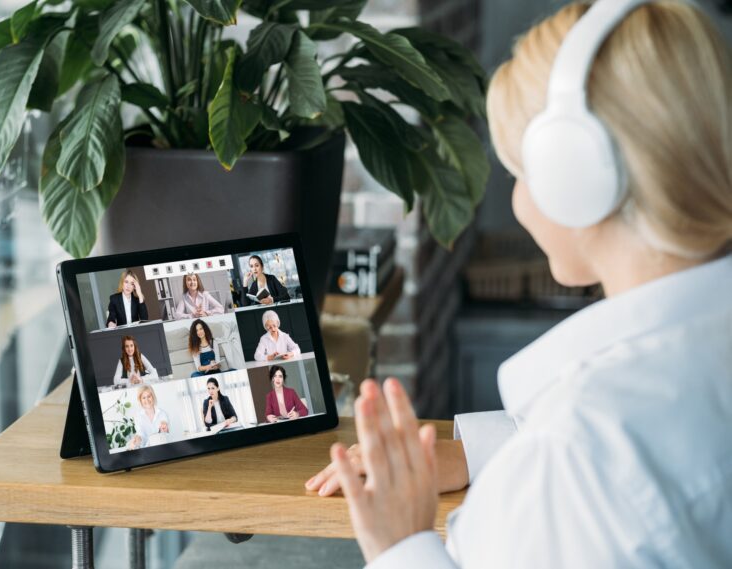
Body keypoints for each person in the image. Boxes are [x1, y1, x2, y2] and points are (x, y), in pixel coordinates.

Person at [306, 1, 732, 567]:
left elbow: (600, 464)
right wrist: (477, 454)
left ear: (577, 181)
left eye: (519, 173)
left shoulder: (580, 451)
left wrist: (400, 544)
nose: (517, 198)